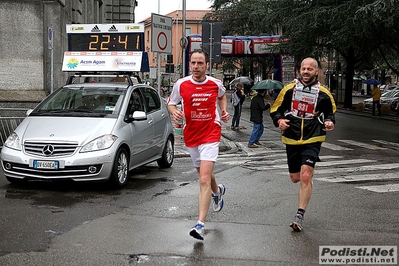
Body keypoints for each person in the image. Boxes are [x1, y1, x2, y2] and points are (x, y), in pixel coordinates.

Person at [167, 49, 230, 240]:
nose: (196, 66)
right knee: (204, 174)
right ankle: (217, 192)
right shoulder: (181, 84)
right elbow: (171, 102)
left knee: (203, 179)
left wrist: (224, 111)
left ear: (207, 65)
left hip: (211, 132)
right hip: (191, 135)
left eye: (200, 63)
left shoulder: (215, 83)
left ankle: (200, 225)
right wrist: (174, 112)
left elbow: (222, 96)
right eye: (193, 63)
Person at [270, 57, 336, 232]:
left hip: (313, 136)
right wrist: (279, 121)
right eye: (303, 69)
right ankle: (307, 180)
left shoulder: (324, 93)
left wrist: (329, 122)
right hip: (292, 136)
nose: (306, 72)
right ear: (299, 70)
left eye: (310, 69)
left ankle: (299, 214)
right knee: (296, 177)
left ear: (316, 71)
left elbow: (330, 112)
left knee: (306, 175)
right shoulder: (289, 89)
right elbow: (275, 110)